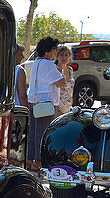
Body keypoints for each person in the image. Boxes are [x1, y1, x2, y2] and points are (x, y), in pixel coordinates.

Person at [27, 37, 66, 169]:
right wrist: (62, 71)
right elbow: (61, 82)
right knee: (43, 133)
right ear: (48, 51)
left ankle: (29, 159)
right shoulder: (48, 64)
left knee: (33, 132)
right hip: (46, 103)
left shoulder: (37, 62)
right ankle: (39, 162)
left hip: (33, 100)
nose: (56, 52)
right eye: (55, 49)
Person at [55, 45, 75, 112]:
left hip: (68, 105)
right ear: (56, 56)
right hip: (58, 105)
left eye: (66, 55)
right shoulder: (55, 70)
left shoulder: (70, 70)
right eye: (61, 55)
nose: (64, 58)